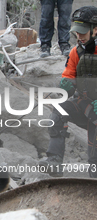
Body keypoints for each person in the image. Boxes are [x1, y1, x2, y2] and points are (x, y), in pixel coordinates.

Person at [38, 6, 97, 177]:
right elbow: (69, 76)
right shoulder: (76, 52)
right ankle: (54, 160)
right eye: (77, 32)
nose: (79, 36)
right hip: (85, 103)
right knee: (59, 109)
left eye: (83, 32)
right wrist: (66, 86)